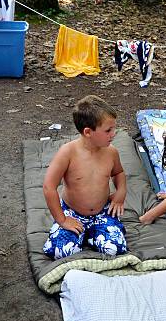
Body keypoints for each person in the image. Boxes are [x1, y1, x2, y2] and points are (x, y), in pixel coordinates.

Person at [42, 95, 128, 260]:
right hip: (73, 213)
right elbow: (49, 187)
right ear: (88, 132)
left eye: (114, 128)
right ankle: (85, 235)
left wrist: (120, 193)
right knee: (59, 252)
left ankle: (93, 234)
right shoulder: (67, 153)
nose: (114, 134)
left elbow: (118, 173)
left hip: (103, 212)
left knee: (116, 249)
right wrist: (62, 219)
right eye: (108, 130)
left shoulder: (111, 152)